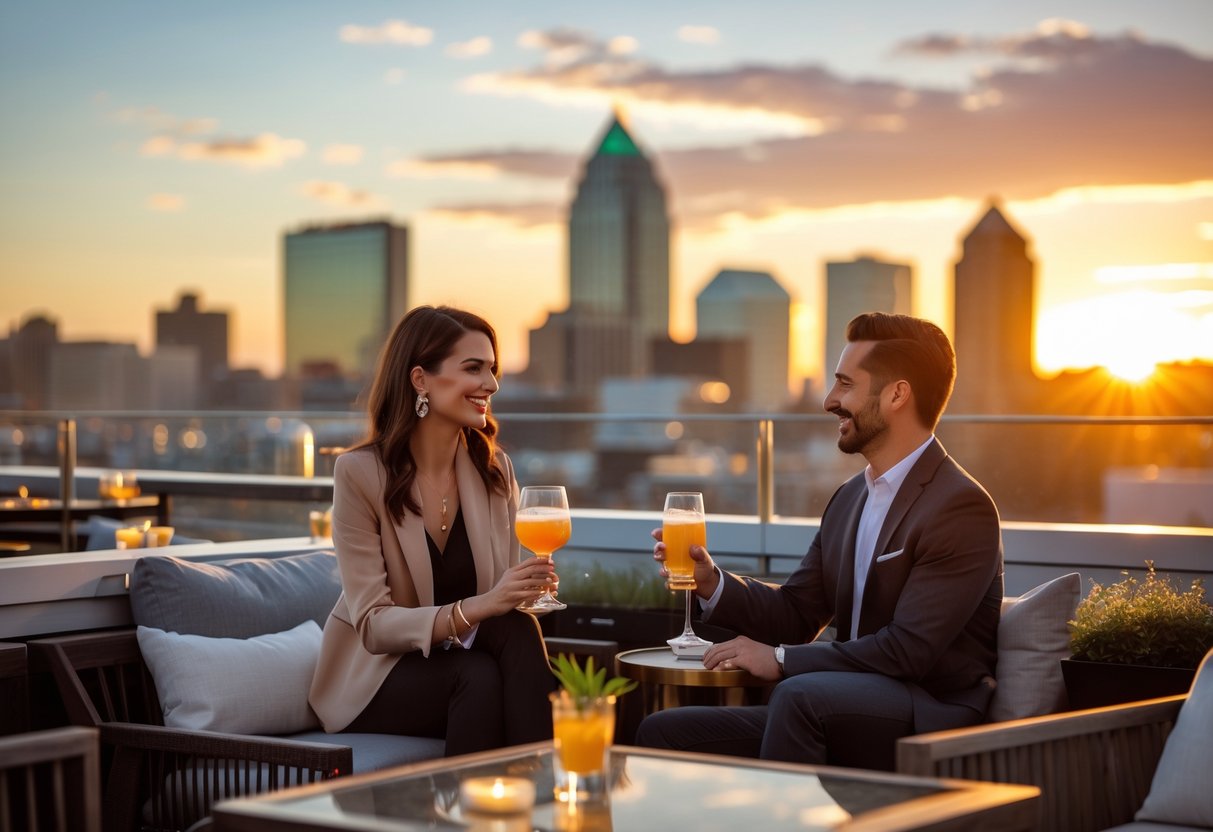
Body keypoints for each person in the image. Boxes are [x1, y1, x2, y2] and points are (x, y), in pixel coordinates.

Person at [635, 312, 1003, 771]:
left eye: (846, 385)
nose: (830, 401)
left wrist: (782, 659)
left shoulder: (960, 506)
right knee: (661, 732)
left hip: (927, 712)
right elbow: (796, 614)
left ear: (897, 394)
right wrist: (712, 583)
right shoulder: (850, 499)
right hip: (831, 703)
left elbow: (908, 651)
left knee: (797, 695)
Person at [309, 305, 557, 755]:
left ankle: (530, 804)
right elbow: (373, 626)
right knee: (477, 675)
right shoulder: (359, 473)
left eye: (493, 370)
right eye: (473, 368)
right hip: (379, 673)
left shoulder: (494, 472)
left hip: (464, 659)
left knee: (516, 634)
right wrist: (482, 605)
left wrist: (517, 591)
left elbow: (498, 606)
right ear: (420, 379)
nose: (492, 384)